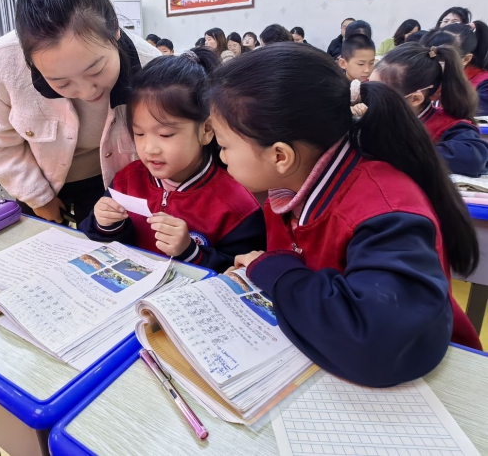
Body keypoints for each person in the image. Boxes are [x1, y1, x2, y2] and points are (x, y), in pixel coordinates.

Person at [206, 42, 481, 388]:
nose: (221, 157)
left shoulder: (384, 212)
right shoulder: (287, 191)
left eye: (224, 145)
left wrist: (274, 271)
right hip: (326, 365)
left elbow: (377, 346)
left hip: (436, 386)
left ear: (280, 156)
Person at [0, 0, 160, 225]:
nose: (86, 92)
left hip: (120, 183)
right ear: (29, 61)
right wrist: (39, 197)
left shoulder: (149, 64)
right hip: (38, 180)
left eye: (95, 70)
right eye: (61, 82)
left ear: (115, 31)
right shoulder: (4, 61)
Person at [80, 48, 265, 271]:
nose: (150, 149)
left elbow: (243, 273)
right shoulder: (127, 180)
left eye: (166, 135)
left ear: (206, 130)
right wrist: (105, 224)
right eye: (139, 133)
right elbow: (95, 240)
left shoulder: (237, 205)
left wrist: (191, 252)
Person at [372, 42, 488, 177]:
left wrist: (402, 153)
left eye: (377, 94)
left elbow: (475, 158)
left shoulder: (446, 126)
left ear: (415, 99)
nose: (369, 96)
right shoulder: (377, 115)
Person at [422, 23, 488, 115]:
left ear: (466, 59)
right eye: (432, 56)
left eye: (443, 57)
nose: (436, 63)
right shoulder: (424, 75)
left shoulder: (484, 84)